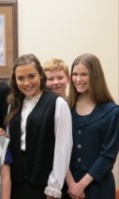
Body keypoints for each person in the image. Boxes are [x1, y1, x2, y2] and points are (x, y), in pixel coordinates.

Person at [6, 53, 73, 199]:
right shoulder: (14, 105)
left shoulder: (57, 104)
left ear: (41, 76)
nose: (26, 82)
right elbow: (14, 139)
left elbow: (63, 147)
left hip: (44, 185)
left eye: (31, 76)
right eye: (21, 78)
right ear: (15, 80)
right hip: (17, 183)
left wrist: (54, 187)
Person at [63, 53, 119, 199]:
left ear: (95, 76)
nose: (78, 79)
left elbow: (108, 155)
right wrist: (72, 185)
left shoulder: (112, 112)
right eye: (74, 74)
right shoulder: (65, 107)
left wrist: (81, 186)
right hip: (68, 186)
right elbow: (59, 149)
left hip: (99, 186)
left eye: (84, 74)